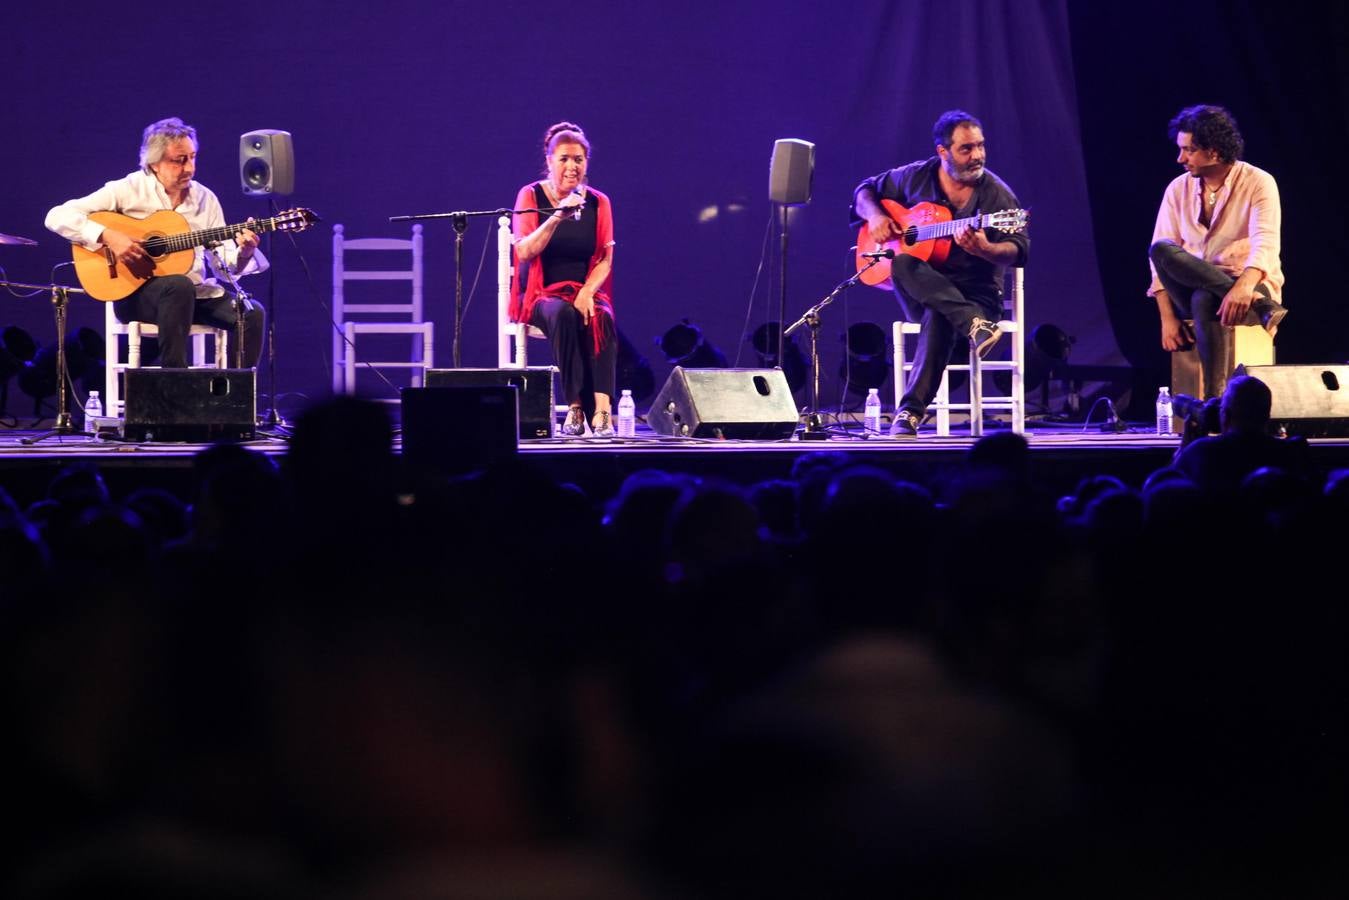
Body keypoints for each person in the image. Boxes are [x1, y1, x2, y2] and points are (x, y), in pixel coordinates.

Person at [852, 110, 1029, 437]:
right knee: (903, 263)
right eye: (966, 149)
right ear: (942, 152)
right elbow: (864, 191)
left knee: (939, 313)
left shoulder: (996, 195)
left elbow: (1020, 250)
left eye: (981, 146)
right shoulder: (915, 177)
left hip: (977, 297)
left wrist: (986, 249)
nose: (977, 156)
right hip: (922, 292)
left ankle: (909, 414)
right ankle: (974, 325)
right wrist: (876, 216)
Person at [46, 117, 266, 369]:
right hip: (137, 297)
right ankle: (174, 386)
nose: (190, 168)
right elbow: (56, 216)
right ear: (154, 163)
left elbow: (224, 270)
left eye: (193, 157)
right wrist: (108, 236)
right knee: (177, 286)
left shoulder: (206, 199)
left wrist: (244, 252)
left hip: (194, 296)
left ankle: (235, 398)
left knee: (251, 314)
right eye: (179, 160)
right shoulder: (127, 189)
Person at [1148, 104, 1284, 400]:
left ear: (1215, 151)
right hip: (1190, 285)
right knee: (1160, 249)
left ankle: (1213, 402)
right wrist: (1167, 319)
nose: (1180, 158)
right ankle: (1263, 307)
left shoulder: (1259, 182)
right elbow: (1159, 260)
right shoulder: (1177, 189)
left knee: (1205, 297)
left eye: (1190, 150)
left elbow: (1266, 244)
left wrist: (1246, 287)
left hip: (1249, 281)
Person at [511, 121, 617, 437]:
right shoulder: (531, 195)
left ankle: (602, 412)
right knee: (565, 314)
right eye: (564, 159)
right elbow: (525, 252)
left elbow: (605, 260)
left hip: (585, 291)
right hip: (543, 295)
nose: (572, 166)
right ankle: (575, 407)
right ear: (549, 161)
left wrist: (587, 291)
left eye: (578, 159)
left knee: (603, 317)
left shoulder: (600, 202)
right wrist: (558, 214)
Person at [1172, 374, 1307, 492]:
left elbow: (1166, 491)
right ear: (1267, 416)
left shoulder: (1201, 452)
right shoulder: (1290, 452)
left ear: (1225, 415)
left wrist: (1184, 449)